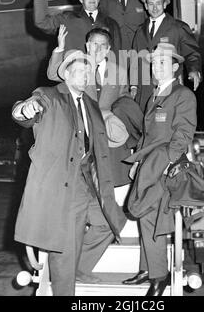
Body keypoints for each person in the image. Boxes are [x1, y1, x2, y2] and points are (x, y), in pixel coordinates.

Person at [12, 51, 123, 296]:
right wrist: (24, 109)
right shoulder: (49, 95)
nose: (84, 76)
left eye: (88, 72)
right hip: (63, 185)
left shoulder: (92, 107)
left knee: (111, 222)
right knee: (64, 249)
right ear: (67, 73)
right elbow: (27, 110)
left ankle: (79, 269)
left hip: (88, 183)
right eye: (79, 71)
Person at [46, 26, 144, 282]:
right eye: (94, 44)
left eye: (103, 45)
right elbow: (54, 75)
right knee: (75, 218)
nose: (98, 49)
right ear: (87, 45)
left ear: (109, 50)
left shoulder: (118, 73)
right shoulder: (78, 68)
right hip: (76, 156)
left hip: (104, 152)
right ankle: (68, 272)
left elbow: (123, 103)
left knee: (109, 220)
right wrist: (58, 49)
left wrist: (117, 123)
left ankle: (78, 269)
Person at [123, 43, 197, 296]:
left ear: (175, 67)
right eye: (154, 63)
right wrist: (137, 163)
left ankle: (159, 275)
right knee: (145, 215)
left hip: (164, 165)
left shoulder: (182, 95)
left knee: (152, 216)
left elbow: (184, 133)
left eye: (162, 63)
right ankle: (147, 268)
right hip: (149, 164)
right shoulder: (156, 95)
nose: (156, 67)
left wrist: (167, 164)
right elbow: (148, 135)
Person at [130, 0, 202, 112]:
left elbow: (191, 52)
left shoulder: (178, 27)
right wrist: (134, 85)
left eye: (158, 3)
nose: (154, 7)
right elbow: (134, 59)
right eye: (151, 4)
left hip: (168, 87)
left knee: (167, 120)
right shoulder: (140, 31)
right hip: (144, 89)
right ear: (146, 6)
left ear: (164, 5)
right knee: (146, 124)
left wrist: (194, 70)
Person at [34, 0, 122, 58]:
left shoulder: (111, 23)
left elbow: (117, 53)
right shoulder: (67, 19)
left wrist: (117, 73)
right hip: (76, 72)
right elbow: (42, 22)